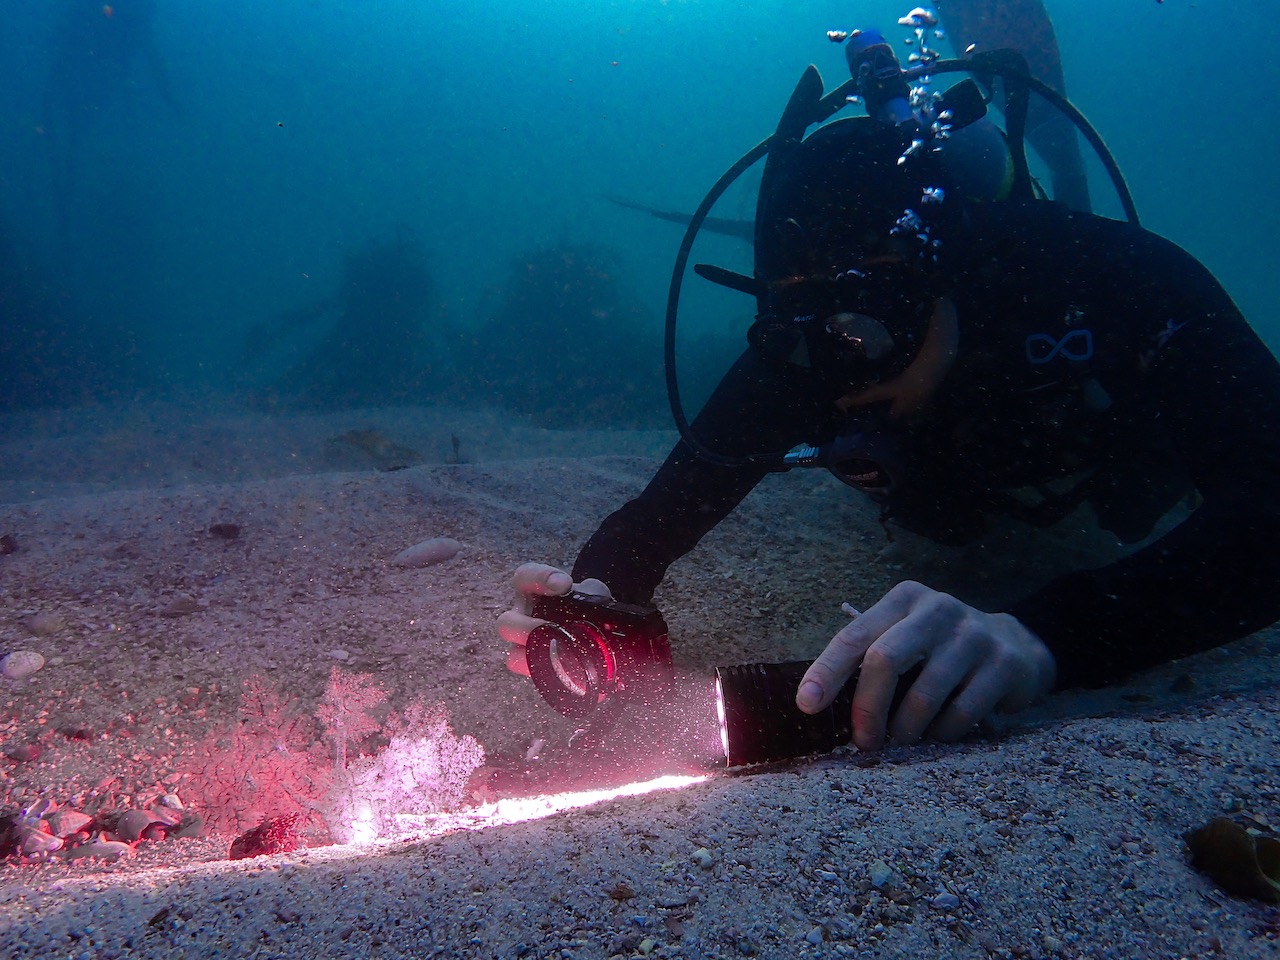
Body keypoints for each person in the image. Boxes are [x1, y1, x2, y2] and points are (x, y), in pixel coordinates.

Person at [498, 19, 1280, 755]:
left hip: (1105, 465)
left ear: (944, 280)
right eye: (801, 324)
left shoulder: (1117, 280)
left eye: (864, 327)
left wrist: (1050, 636)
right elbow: (655, 519)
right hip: (956, 502)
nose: (841, 368)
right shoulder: (809, 344)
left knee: (1142, 488)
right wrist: (598, 599)